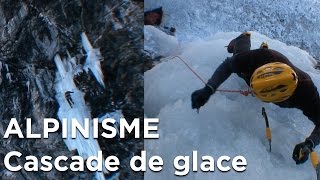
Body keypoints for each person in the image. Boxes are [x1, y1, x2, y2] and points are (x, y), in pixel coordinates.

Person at [191, 32, 320, 165]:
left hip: (277, 80)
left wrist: (309, 144)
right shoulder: (258, 59)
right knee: (239, 56)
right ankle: (243, 37)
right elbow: (228, 65)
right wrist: (209, 89)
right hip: (255, 66)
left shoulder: (306, 93)